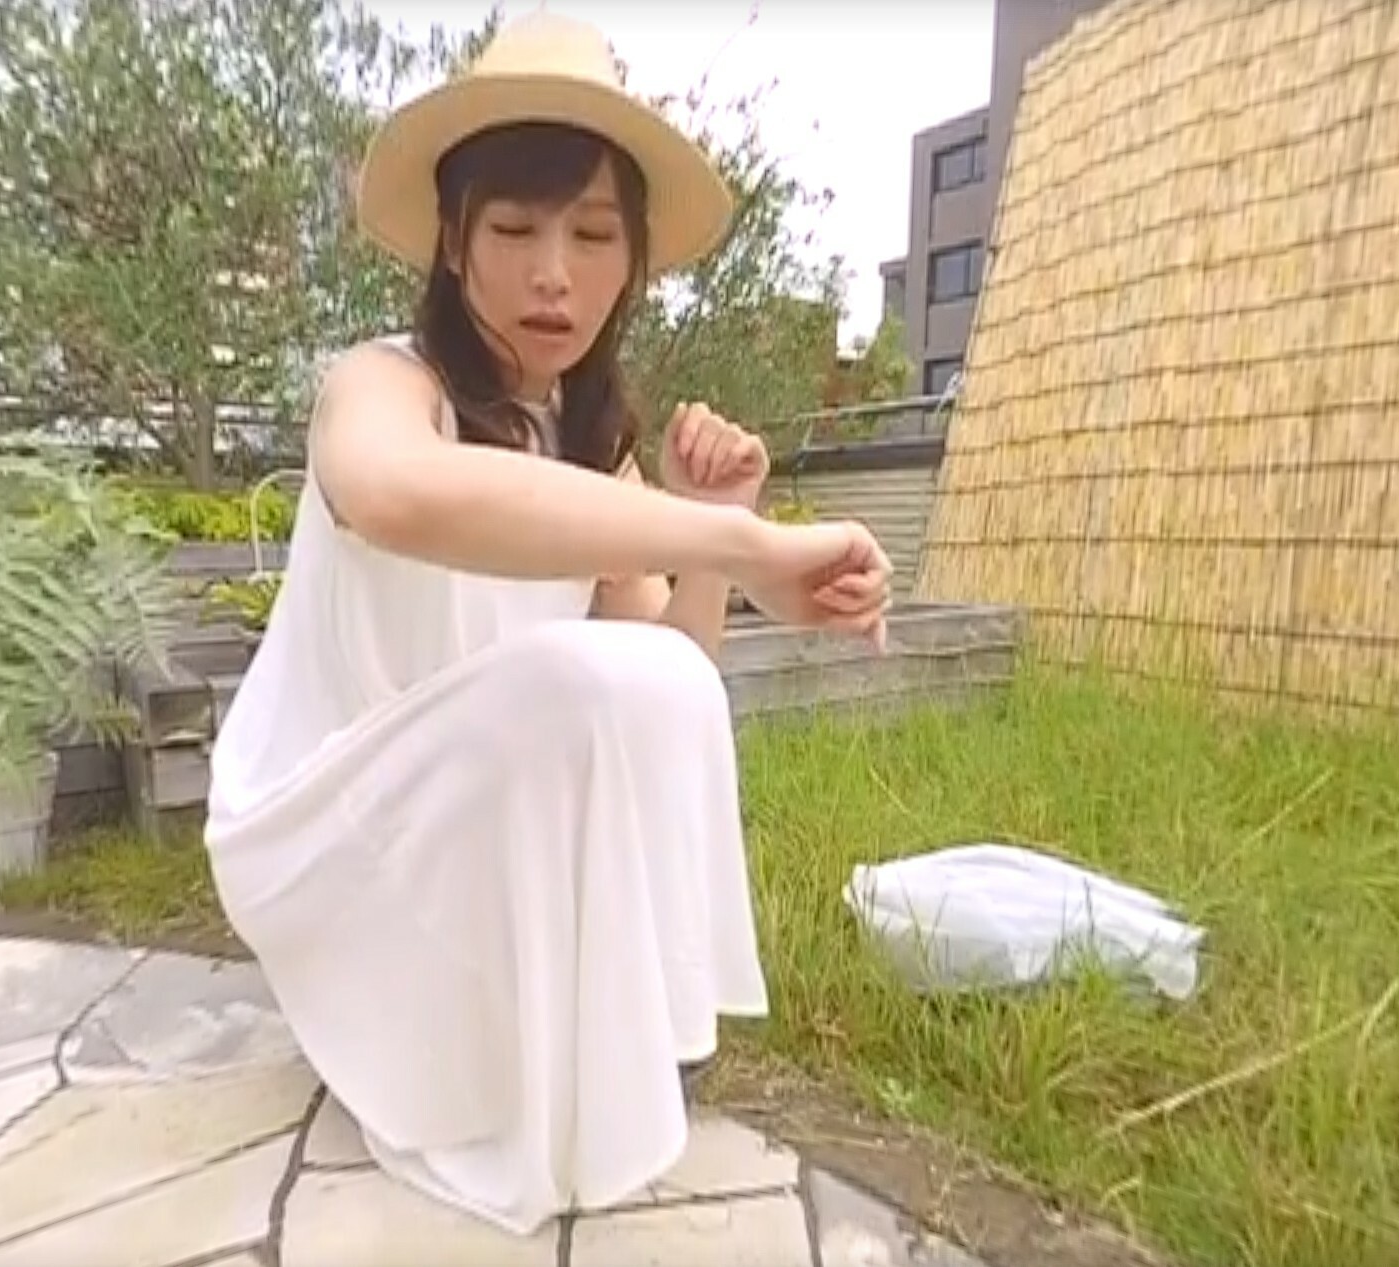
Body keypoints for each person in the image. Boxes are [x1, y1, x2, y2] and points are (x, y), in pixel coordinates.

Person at [202, 11, 896, 1237]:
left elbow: (669, 677)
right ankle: (426, 1033)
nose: (553, 274)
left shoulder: (584, 450)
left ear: (633, 264)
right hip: (324, 829)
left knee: (630, 682)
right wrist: (745, 551)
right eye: (515, 230)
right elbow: (395, 491)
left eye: (592, 235)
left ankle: (643, 1033)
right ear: (452, 244)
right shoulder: (384, 384)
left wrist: (714, 523)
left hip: (457, 825)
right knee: (573, 678)